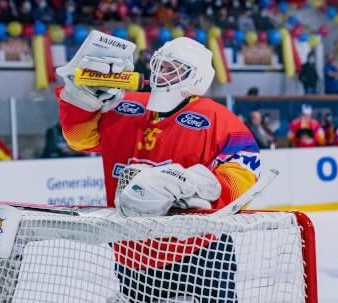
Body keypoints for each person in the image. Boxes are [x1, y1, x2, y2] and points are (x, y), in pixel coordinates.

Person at [55, 31, 260, 302]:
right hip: (132, 249)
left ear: (196, 77)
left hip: (198, 249)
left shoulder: (217, 118)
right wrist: (79, 100)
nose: (162, 74)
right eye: (160, 65)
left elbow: (245, 171)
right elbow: (80, 140)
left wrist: (189, 184)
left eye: (173, 69)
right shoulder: (123, 106)